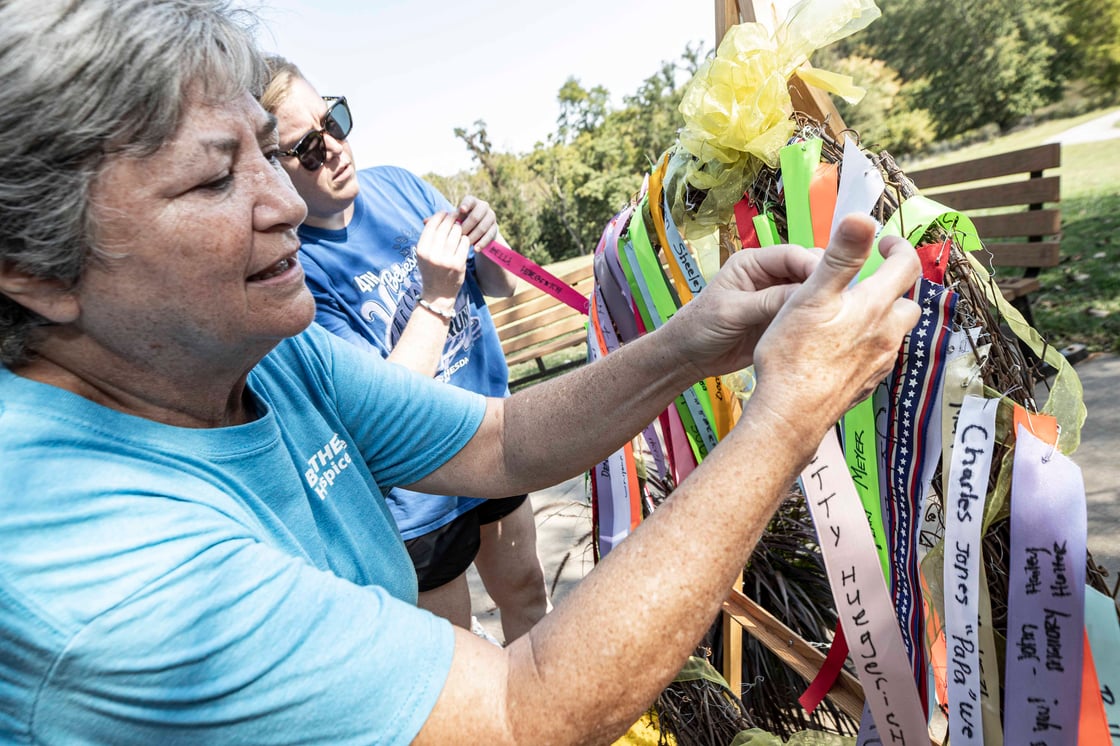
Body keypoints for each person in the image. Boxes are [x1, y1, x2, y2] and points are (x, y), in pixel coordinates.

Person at [0, 1, 921, 743]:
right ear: (38, 272)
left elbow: (500, 438)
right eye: (212, 181)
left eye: (265, 153)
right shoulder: (94, 564)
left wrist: (693, 338)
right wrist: (788, 416)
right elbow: (521, 714)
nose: (286, 201)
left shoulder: (257, 351)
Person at [259, 56, 548, 642]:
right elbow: (384, 411)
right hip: (419, 492)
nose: (335, 148)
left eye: (334, 120)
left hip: (491, 438)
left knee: (529, 599)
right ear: (268, 170)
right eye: (308, 148)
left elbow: (501, 286)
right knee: (458, 660)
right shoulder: (295, 271)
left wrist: (489, 244)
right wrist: (435, 294)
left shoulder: (399, 185)